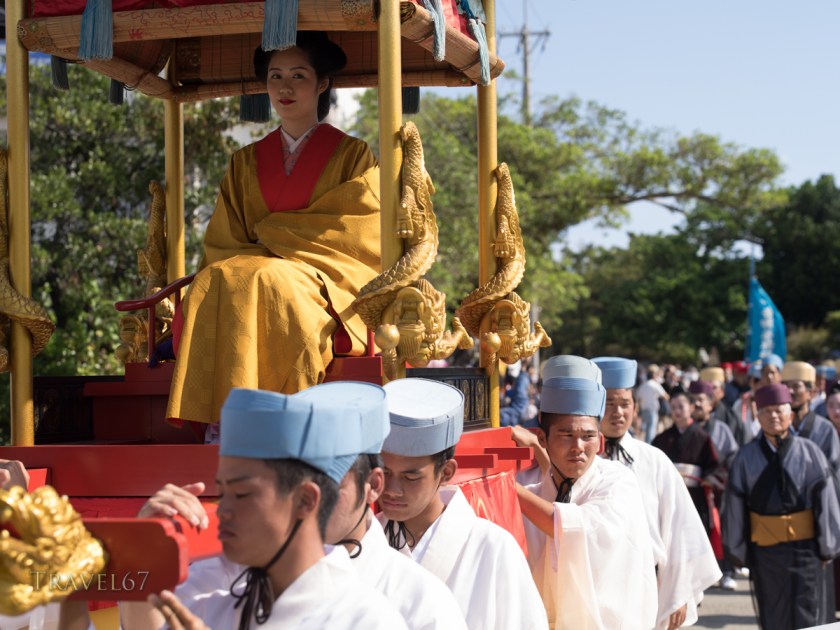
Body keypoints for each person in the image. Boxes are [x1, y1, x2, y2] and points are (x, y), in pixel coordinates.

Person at [166, 32, 381, 430]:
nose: (284, 87)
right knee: (214, 277)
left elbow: (356, 232)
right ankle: (223, 422)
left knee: (267, 277)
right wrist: (268, 249)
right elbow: (222, 239)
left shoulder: (354, 156)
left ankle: (283, 419)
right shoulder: (243, 161)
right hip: (248, 269)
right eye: (275, 76)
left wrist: (273, 239)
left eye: (299, 76)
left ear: (322, 84)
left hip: (323, 278)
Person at [123, 384, 408, 629]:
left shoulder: (368, 621)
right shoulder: (209, 611)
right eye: (222, 493)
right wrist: (141, 551)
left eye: (243, 494)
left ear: (305, 500)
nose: (223, 511)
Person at [377, 378, 547, 630]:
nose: (391, 490)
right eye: (384, 472)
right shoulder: (368, 541)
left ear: (446, 472)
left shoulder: (493, 548)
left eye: (410, 477)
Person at [517, 365, 658, 629]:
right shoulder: (536, 492)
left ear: (600, 443)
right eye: (566, 435)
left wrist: (506, 488)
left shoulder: (618, 482)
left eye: (588, 436)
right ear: (542, 439)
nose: (578, 447)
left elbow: (569, 526)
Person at [593, 357, 721, 630]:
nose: (618, 412)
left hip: (647, 583)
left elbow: (680, 528)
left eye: (625, 404)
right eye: (609, 404)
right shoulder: (581, 462)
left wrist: (680, 590)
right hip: (597, 583)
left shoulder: (654, 459)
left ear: (636, 408)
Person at [723, 384, 840, 629]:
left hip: (806, 550)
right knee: (772, 612)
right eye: (766, 411)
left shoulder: (810, 452)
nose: (773, 416)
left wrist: (827, 547)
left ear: (791, 415)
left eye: (779, 411)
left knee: (808, 611)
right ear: (757, 416)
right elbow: (734, 505)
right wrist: (737, 549)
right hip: (765, 552)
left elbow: (826, 501)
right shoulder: (745, 457)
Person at [653, 391, 724, 536]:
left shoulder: (702, 437)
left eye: (681, 406)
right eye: (673, 407)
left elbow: (715, 466)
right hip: (668, 495)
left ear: (691, 407)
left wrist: (709, 479)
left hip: (695, 496)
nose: (677, 411)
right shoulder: (661, 439)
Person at [780, 361, 840, 483]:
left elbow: (835, 472)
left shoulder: (826, 429)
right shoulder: (775, 428)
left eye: (796, 386)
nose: (790, 391)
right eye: (786, 387)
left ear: (811, 392)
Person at [700, 367, 746, 445]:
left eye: (714, 387)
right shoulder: (692, 415)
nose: (709, 392)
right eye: (706, 387)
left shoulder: (731, 417)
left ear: (722, 392)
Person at [636, 365, 669, 443]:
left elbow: (638, 398)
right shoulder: (655, 384)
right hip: (652, 410)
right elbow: (665, 396)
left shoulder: (642, 385)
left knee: (644, 430)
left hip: (644, 410)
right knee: (651, 430)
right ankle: (649, 445)